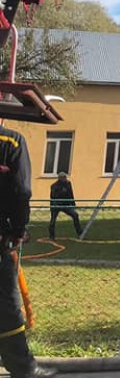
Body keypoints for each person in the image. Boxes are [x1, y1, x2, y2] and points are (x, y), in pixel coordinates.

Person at [0, 121, 55, 377]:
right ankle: (23, 368)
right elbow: (22, 190)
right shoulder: (10, 141)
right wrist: (19, 229)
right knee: (7, 305)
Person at [47, 173, 81, 240]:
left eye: (65, 177)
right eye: (64, 177)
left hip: (65, 204)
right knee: (53, 220)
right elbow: (54, 196)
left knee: (75, 215)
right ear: (60, 178)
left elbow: (71, 193)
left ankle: (80, 233)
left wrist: (73, 203)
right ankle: (51, 236)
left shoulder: (68, 184)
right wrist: (61, 192)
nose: (65, 179)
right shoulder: (54, 186)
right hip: (56, 205)